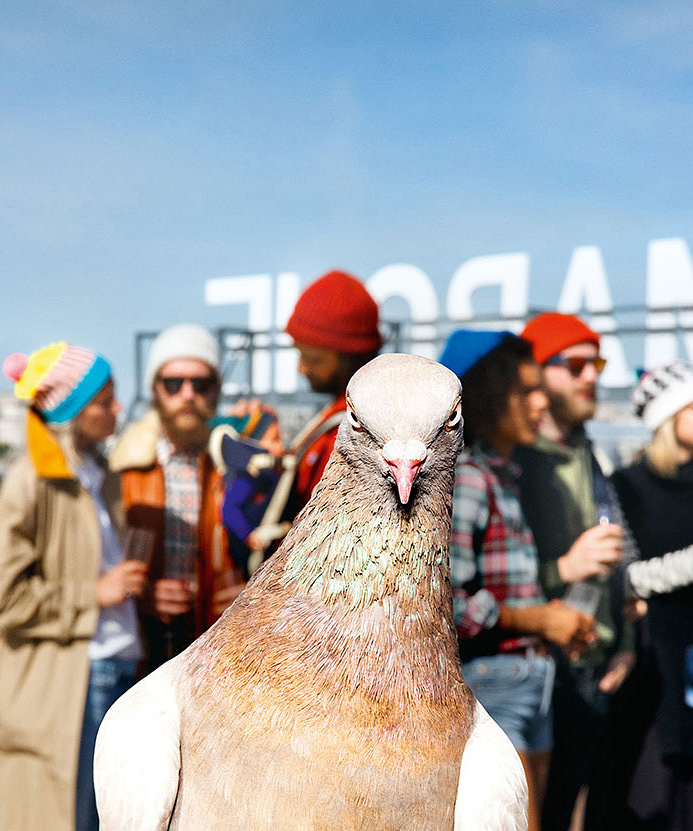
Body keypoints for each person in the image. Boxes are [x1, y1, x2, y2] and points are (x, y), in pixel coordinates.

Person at [440, 329, 595, 831]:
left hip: (528, 679)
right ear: (489, 395)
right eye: (525, 391)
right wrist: (540, 621)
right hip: (493, 683)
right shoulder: (469, 477)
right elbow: (448, 604)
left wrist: (555, 623)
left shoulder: (505, 476)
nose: (540, 402)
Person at [0, 342, 148, 831]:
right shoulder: (31, 481)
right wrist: (93, 593)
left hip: (119, 666)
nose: (117, 408)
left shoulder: (100, 475)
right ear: (73, 411)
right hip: (74, 681)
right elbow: (7, 599)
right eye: (105, 401)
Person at [515, 312, 635, 831]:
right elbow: (482, 585)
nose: (591, 376)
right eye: (576, 364)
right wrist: (564, 567)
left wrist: (626, 641)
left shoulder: (590, 452)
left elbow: (618, 559)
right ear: (536, 373)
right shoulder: (513, 461)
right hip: (534, 673)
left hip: (595, 669)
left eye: (597, 365)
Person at [110, 323, 244, 675]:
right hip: (145, 654)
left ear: (216, 390)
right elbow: (98, 569)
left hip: (220, 653)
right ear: (154, 389)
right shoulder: (123, 469)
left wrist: (253, 593)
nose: (187, 394)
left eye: (200, 384)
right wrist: (140, 595)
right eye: (173, 384)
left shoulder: (238, 466)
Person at [607, 361, 693, 830]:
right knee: (656, 790)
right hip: (657, 655)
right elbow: (624, 575)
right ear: (668, 416)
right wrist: (684, 567)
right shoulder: (629, 486)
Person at [284, 269, 382, 512]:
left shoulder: (356, 433)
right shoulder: (335, 417)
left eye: (313, 359)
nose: (301, 369)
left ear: (349, 358)